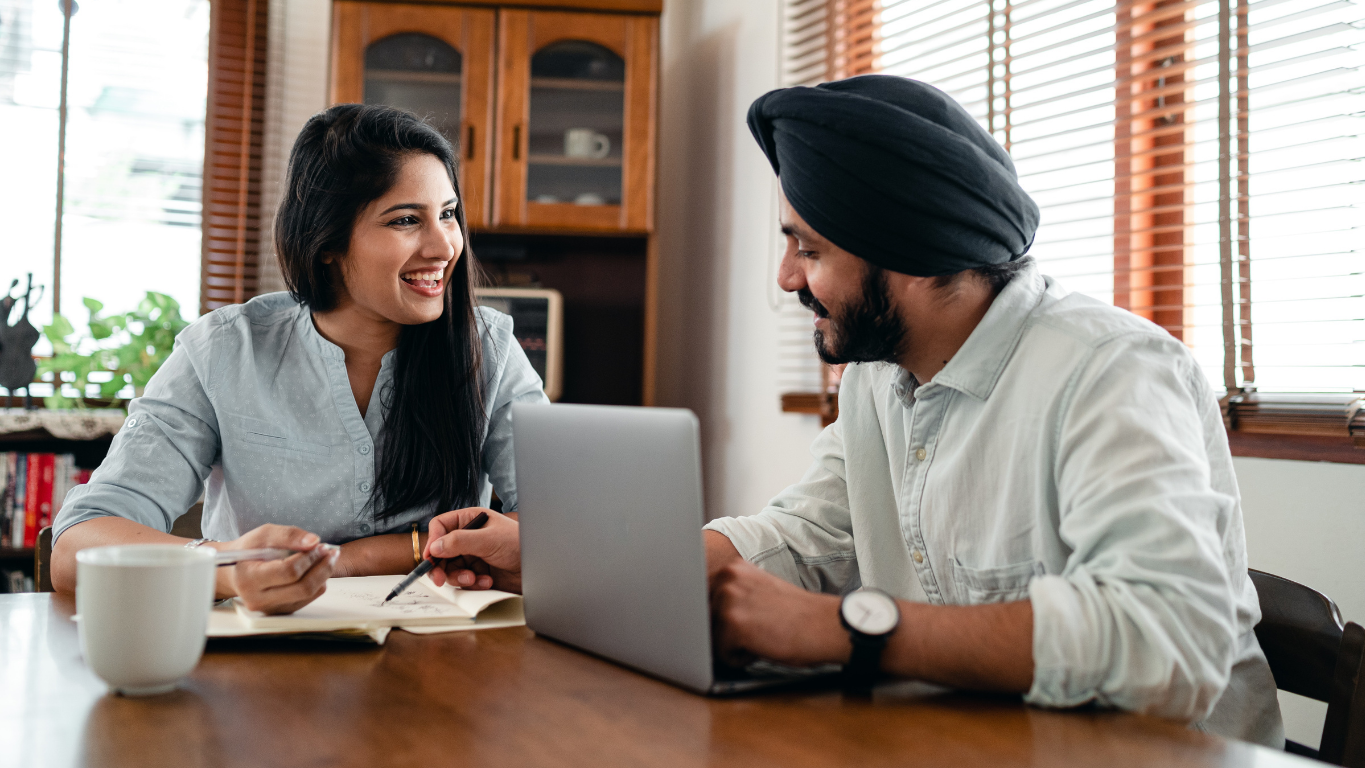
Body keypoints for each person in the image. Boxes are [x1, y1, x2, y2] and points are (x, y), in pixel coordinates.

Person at [424, 75, 1284, 746]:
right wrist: (575, 560)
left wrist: (848, 631)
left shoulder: (1112, 371)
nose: (786, 278)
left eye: (808, 247)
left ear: (907, 252)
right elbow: (805, 536)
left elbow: (1167, 643)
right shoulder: (880, 373)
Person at [50, 104, 546, 613]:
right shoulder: (224, 350)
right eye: (405, 220)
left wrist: (355, 560)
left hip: (447, 661)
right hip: (260, 665)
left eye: (447, 214)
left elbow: (565, 531)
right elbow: (75, 550)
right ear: (326, 240)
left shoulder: (490, 349)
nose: (444, 245)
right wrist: (227, 568)